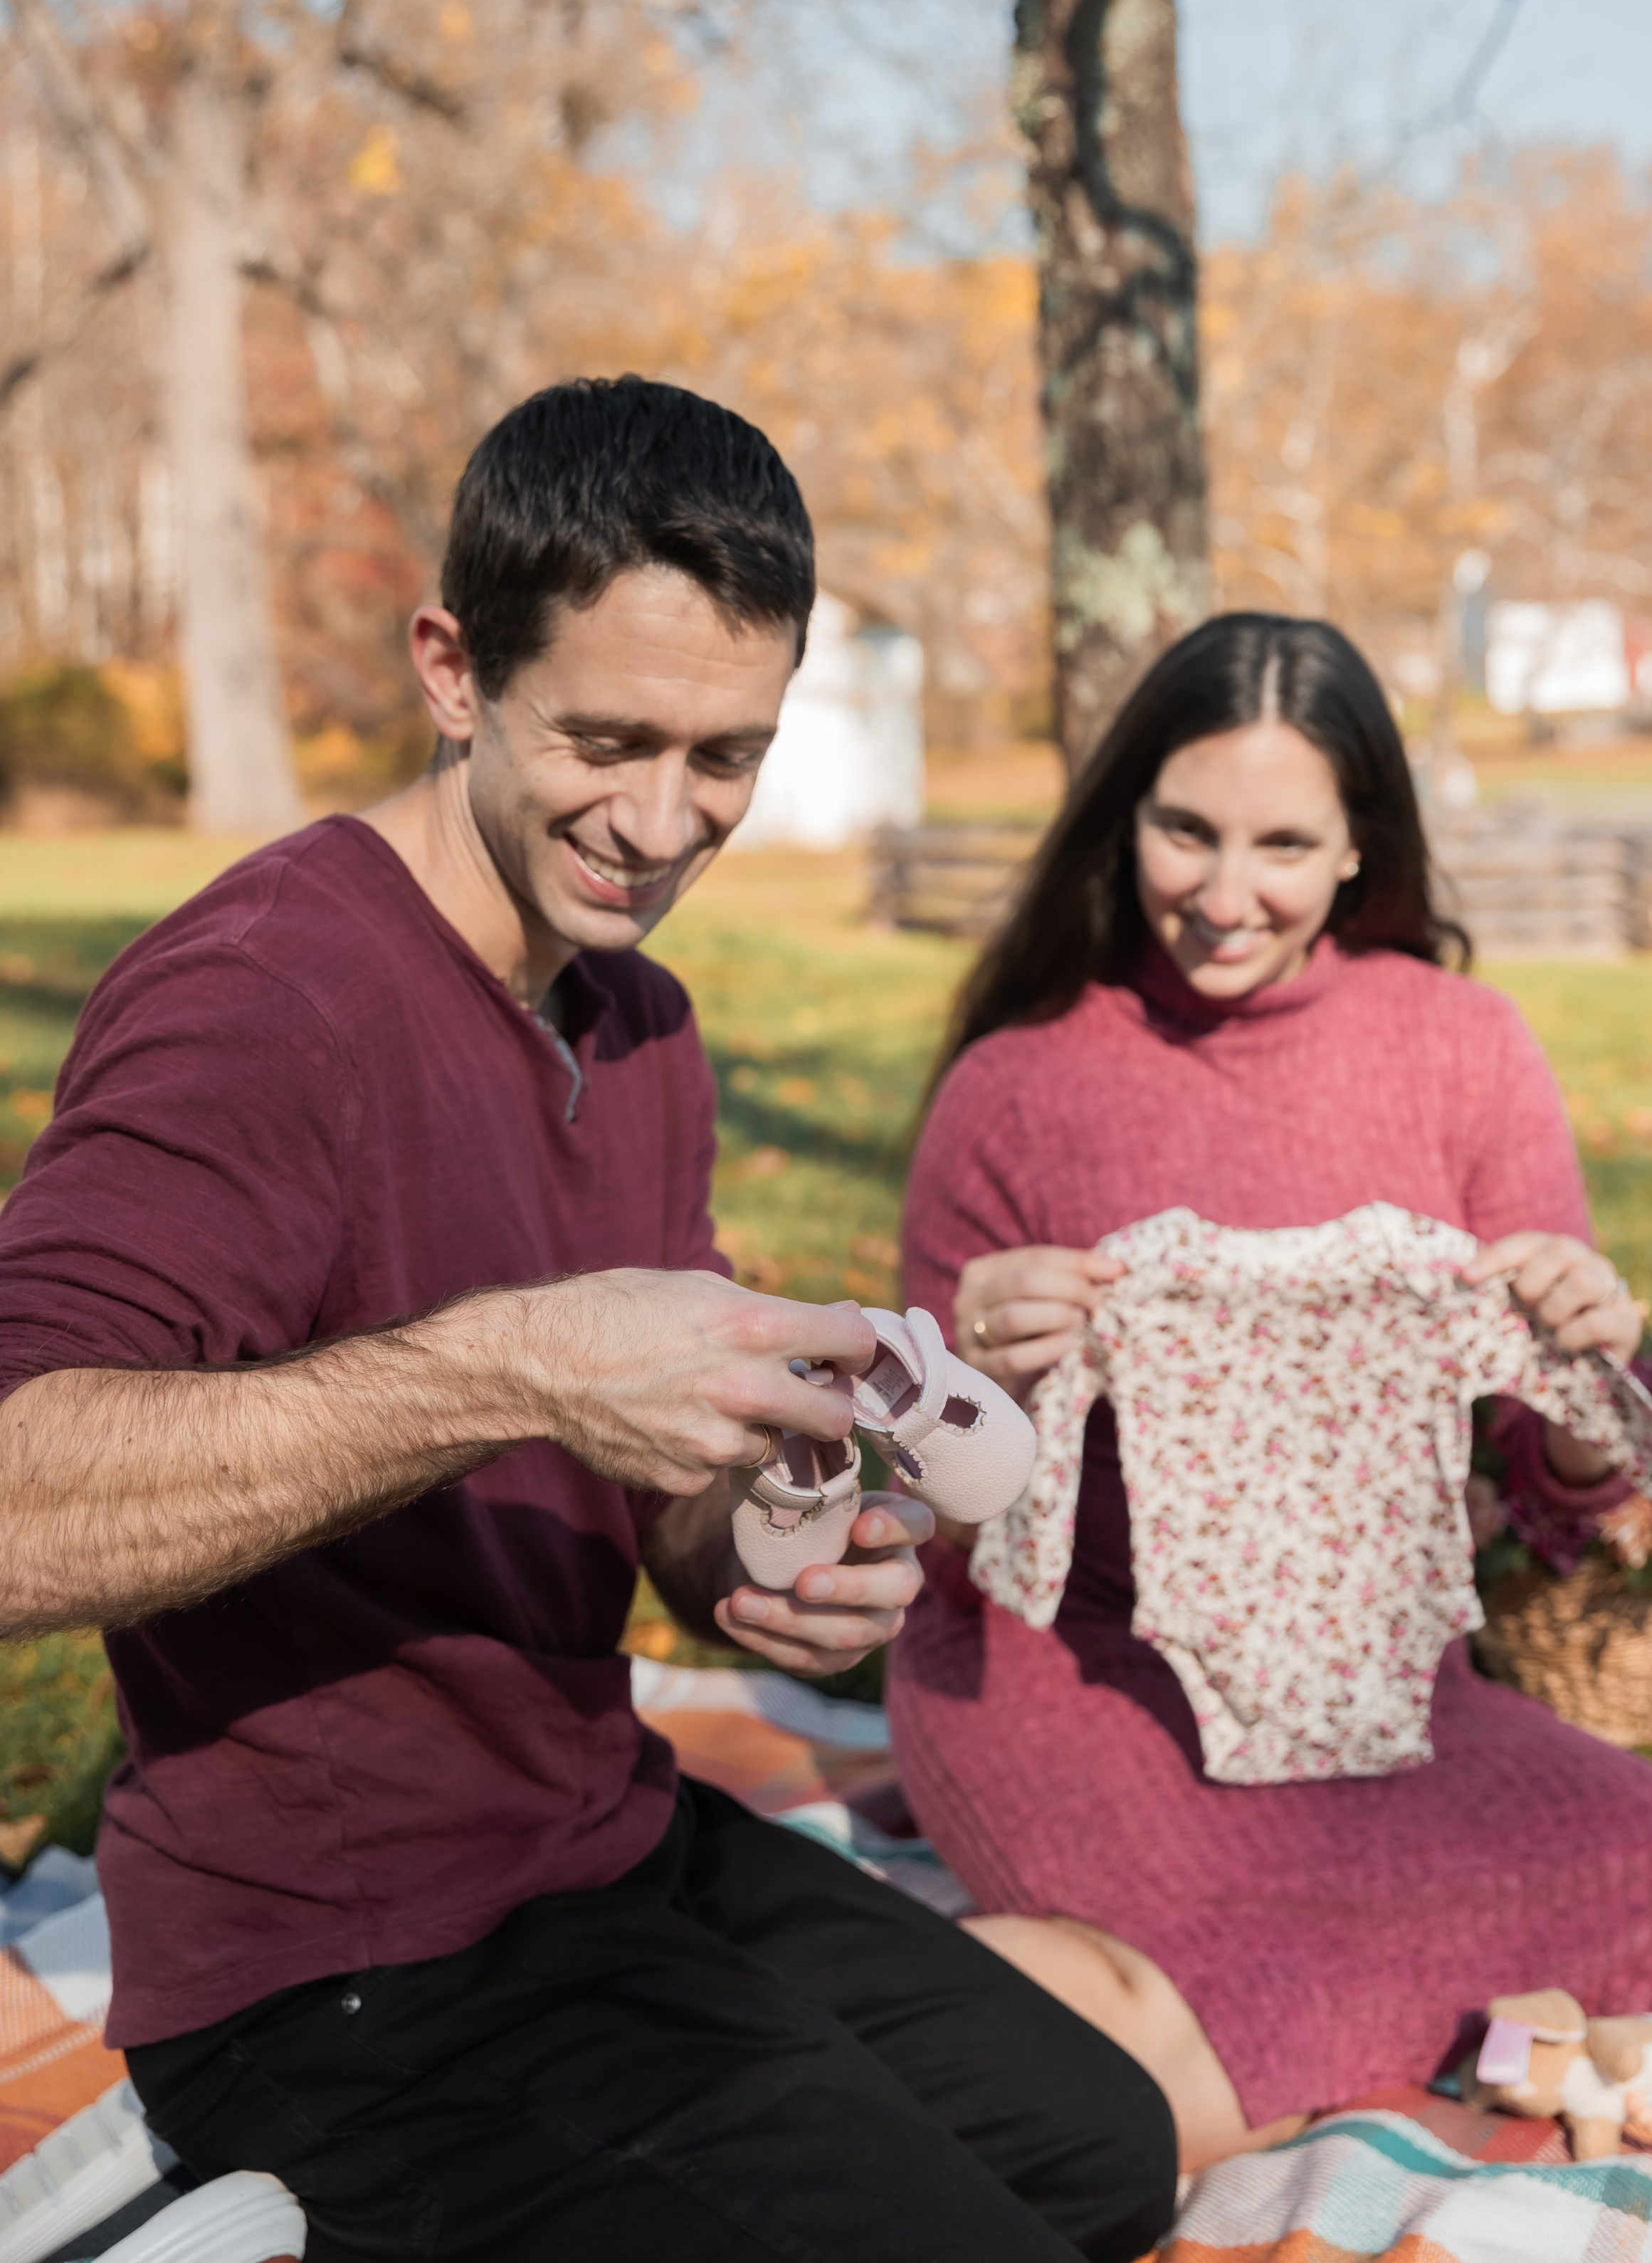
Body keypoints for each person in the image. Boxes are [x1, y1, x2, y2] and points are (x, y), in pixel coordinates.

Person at [0, 378, 1176, 2263]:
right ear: (455, 670)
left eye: (727, 755)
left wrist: (766, 1556)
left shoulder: (642, 1026)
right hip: (353, 1976)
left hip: (607, 1841)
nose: (659, 821)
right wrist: (517, 1363)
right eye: (606, 738)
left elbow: (663, 1526)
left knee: (1099, 2149)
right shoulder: (260, 1005)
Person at [888, 611, 1652, 2173]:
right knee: (1229, 1987)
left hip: (1378, 1685)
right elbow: (913, 1528)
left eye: (1280, 842)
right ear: (1124, 820)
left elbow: (1592, 1501)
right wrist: (960, 1374)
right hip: (1058, 1667)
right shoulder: (1016, 1087)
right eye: (1184, 830)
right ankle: (1471, 2041)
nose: (1222, 892)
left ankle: (1426, 2035)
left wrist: (1593, 1388)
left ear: (1353, 851)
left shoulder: (1459, 1052)